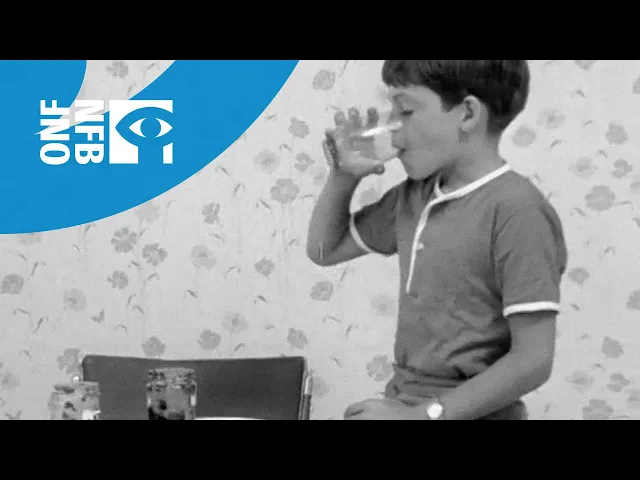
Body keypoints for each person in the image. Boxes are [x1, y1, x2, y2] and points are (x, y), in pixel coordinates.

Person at [306, 60, 568, 420]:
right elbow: (324, 249)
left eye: (406, 111)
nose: (393, 127)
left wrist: (420, 416)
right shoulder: (416, 195)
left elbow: (533, 360)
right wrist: (343, 177)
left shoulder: (519, 212)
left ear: (468, 114)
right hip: (404, 402)